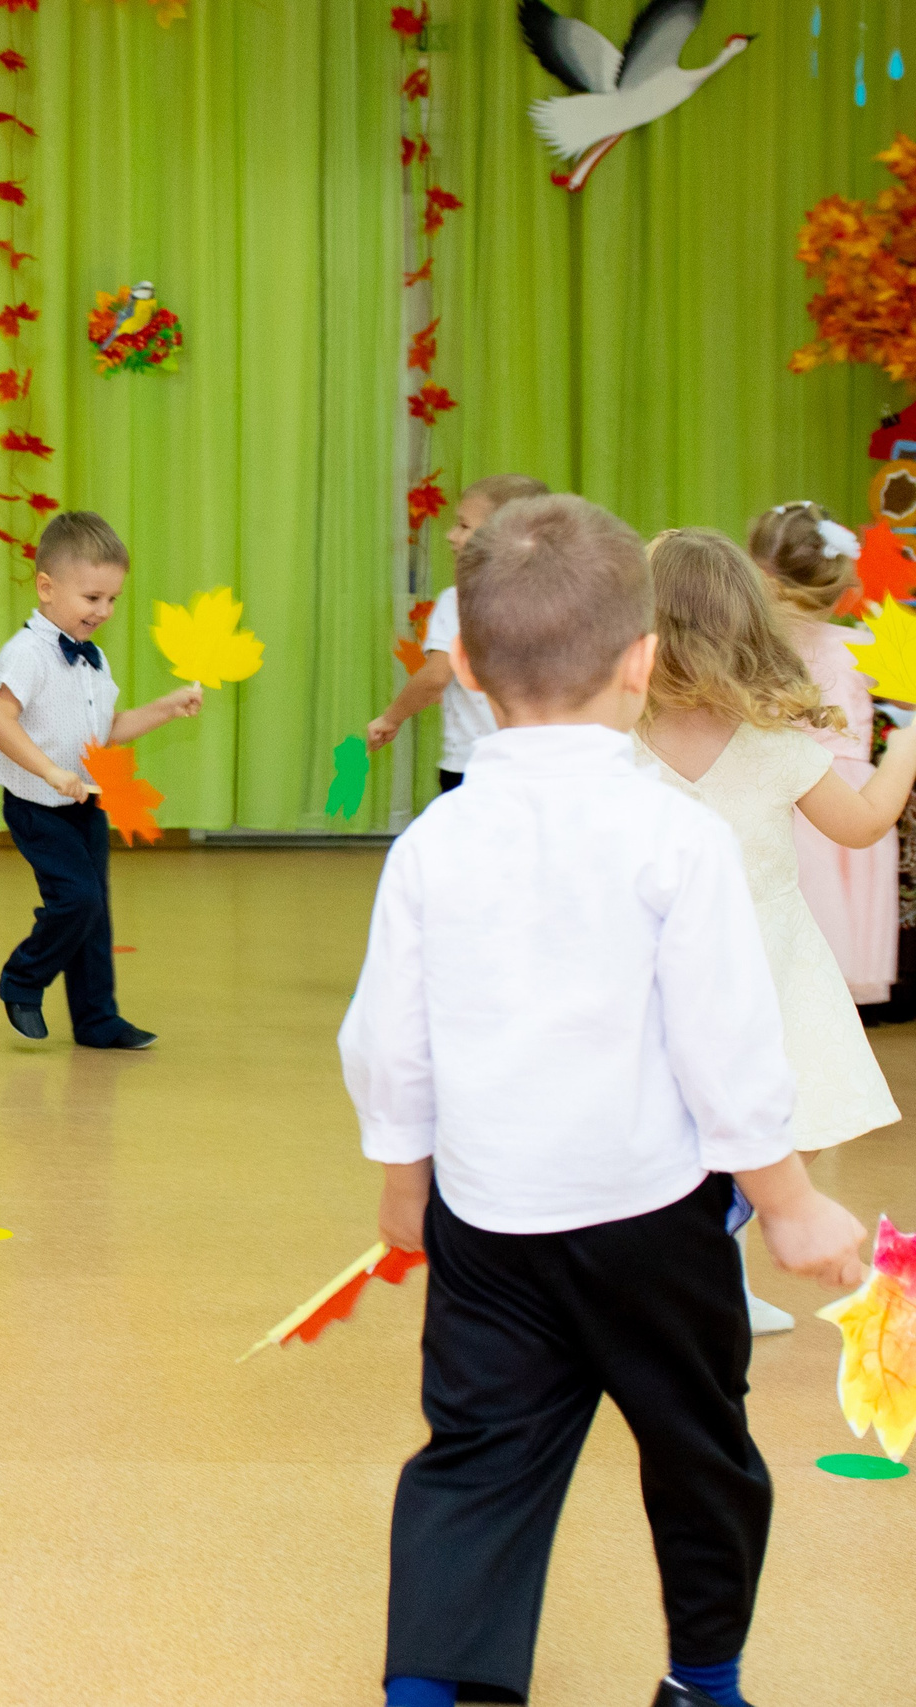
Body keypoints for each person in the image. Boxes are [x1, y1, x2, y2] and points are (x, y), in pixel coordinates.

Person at [339, 495, 870, 1707]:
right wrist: (785, 1202)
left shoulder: (435, 839)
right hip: (652, 1224)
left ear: (465, 665)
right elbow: (724, 1042)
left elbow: (389, 1038)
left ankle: (434, 1690)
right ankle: (702, 1679)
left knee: (473, 1465)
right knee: (701, 1457)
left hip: (486, 1218)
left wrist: (400, 1179)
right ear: (640, 662)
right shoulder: (670, 836)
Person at [635, 526, 915, 1334]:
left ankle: (692, 1270)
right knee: (765, 1125)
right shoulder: (773, 743)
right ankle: (718, 1267)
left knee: (672, 1130)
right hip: (765, 967)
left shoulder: (617, 740)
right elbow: (862, 824)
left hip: (653, 968)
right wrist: (905, 746)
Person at [0, 511, 201, 1048]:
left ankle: (97, 1020)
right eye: (92, 599)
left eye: (112, 600)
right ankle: (22, 978)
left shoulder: (93, 661)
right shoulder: (27, 654)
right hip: (38, 806)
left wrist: (165, 708)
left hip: (86, 803)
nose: (103, 611)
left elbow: (106, 731)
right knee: (76, 901)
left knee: (95, 914)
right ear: (47, 587)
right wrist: (53, 772)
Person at [749, 500, 899, 1005]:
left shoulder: (751, 645)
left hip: (788, 799)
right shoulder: (869, 643)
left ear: (759, 572)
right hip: (854, 800)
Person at [367, 474, 552, 790]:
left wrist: (391, 718)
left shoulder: (459, 600)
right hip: (544, 766)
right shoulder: (558, 598)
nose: (451, 536)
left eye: (464, 526)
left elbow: (435, 678)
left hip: (474, 766)